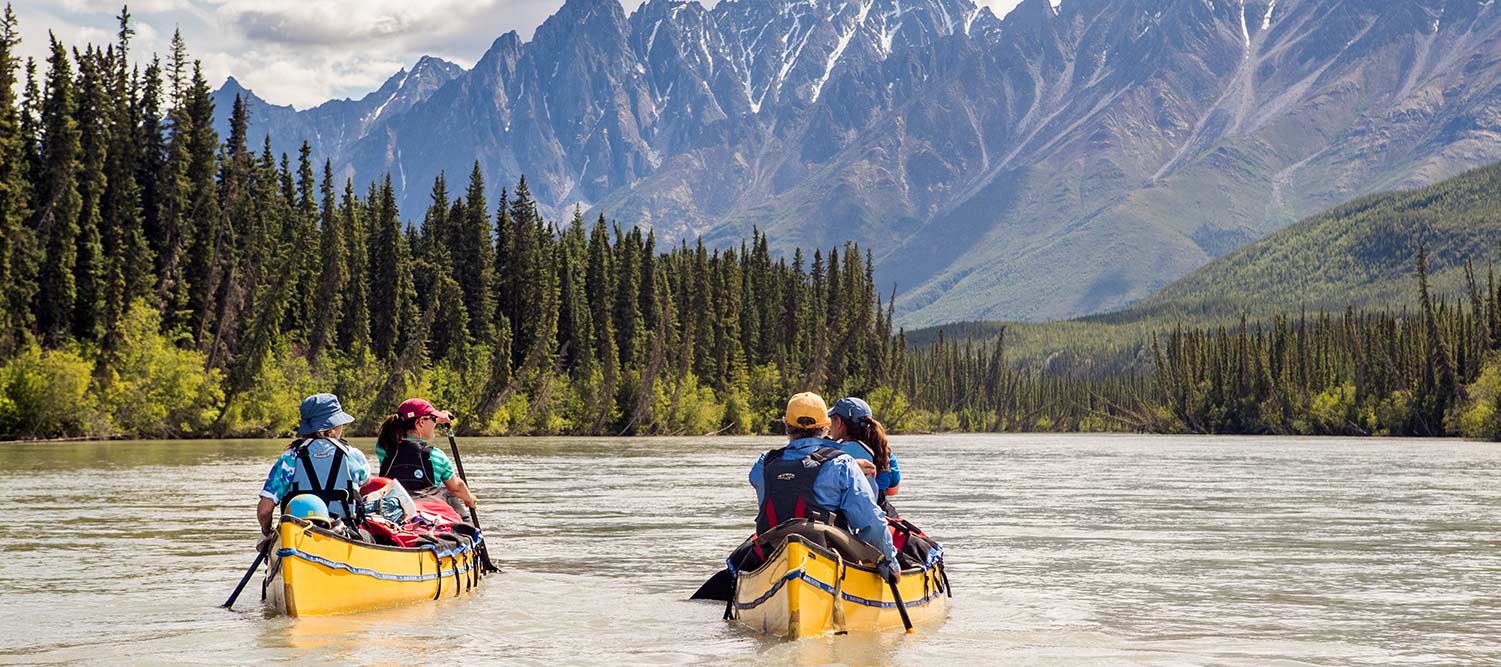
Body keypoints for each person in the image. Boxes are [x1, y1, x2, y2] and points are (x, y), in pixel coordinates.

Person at [749, 392, 901, 581]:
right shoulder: (843, 464)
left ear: (786, 425)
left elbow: (770, 475)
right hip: (827, 561)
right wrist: (889, 563)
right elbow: (871, 524)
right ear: (825, 426)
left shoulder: (763, 463)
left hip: (773, 556)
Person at [257, 393, 371, 535]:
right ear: (334, 426)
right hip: (343, 533)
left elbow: (264, 511)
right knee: (369, 537)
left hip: (298, 535)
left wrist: (267, 532)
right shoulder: (353, 455)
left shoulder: (289, 458)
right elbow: (365, 483)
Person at [374, 398, 478, 521]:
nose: (435, 424)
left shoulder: (384, 448)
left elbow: (412, 425)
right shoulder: (436, 456)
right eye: (433, 420)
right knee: (451, 497)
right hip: (427, 511)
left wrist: (436, 419)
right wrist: (470, 498)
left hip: (395, 509)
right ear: (421, 422)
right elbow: (456, 487)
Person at [827, 396, 901, 517]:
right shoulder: (884, 451)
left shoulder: (829, 452)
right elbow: (893, 490)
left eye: (832, 420)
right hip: (878, 513)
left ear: (839, 422)